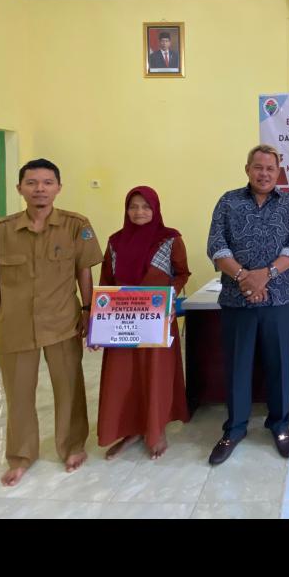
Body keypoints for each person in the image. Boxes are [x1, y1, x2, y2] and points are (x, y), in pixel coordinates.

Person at [0, 158, 103, 486]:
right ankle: (20, 456)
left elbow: (84, 272)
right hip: (14, 326)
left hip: (62, 322)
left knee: (69, 388)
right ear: (20, 188)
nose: (39, 189)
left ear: (58, 188)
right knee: (18, 395)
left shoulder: (76, 225)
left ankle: (72, 446)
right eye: (31, 183)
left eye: (47, 182)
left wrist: (89, 312)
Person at [206, 144, 289, 465]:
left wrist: (264, 276)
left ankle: (280, 425)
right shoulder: (228, 201)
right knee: (237, 366)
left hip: (279, 300)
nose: (264, 174)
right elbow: (216, 246)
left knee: (279, 365)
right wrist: (244, 278)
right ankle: (234, 429)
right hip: (237, 300)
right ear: (247, 169)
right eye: (258, 167)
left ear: (278, 172)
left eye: (270, 169)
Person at [95, 186, 190, 461]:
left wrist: (169, 298)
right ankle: (130, 430)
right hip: (121, 319)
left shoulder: (170, 239)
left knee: (155, 373)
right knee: (123, 376)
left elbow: (181, 273)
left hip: (155, 317)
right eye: (133, 206)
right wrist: (97, 325)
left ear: (155, 209)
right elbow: (106, 281)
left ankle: (156, 430)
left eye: (146, 207)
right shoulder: (115, 241)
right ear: (126, 210)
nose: (139, 212)